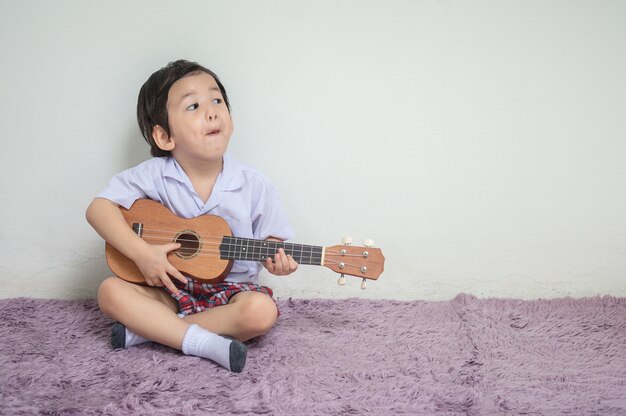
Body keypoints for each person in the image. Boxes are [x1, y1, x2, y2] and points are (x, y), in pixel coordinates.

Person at [86, 59, 298, 373]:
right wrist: (143, 256)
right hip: (170, 289)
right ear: (164, 137)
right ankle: (205, 342)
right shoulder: (155, 175)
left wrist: (278, 259)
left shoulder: (254, 185)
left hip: (231, 295)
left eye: (217, 100)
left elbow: (272, 240)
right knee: (110, 292)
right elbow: (98, 210)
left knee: (261, 313)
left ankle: (150, 332)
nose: (212, 111)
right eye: (193, 105)